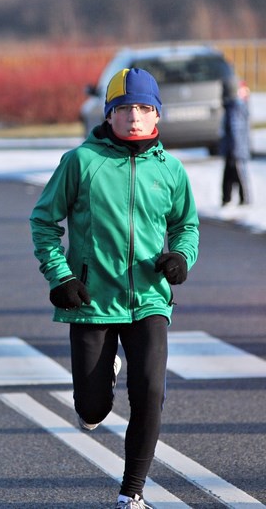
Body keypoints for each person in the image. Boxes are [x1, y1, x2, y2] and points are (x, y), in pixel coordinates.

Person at [30, 68, 199, 509]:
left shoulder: (171, 170)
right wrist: (60, 276)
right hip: (91, 302)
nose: (135, 117)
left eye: (144, 108)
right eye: (124, 108)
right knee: (91, 409)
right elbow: (44, 222)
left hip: (149, 300)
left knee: (151, 393)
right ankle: (99, 388)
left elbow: (186, 225)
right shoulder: (81, 162)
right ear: (109, 114)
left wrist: (181, 257)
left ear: (157, 114)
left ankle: (132, 492)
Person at [220, 75, 251, 206]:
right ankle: (234, 198)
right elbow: (236, 129)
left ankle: (236, 198)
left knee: (234, 173)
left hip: (234, 148)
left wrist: (235, 148)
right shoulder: (236, 107)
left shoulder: (235, 108)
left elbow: (237, 129)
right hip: (235, 148)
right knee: (235, 173)